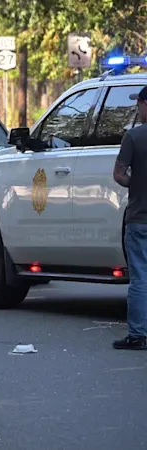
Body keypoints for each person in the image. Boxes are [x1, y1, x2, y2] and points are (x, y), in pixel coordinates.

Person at [112, 85, 147, 350]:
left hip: (140, 219)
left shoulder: (134, 138)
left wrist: (135, 182)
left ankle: (138, 335)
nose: (138, 109)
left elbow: (119, 174)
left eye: (139, 105)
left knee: (140, 278)